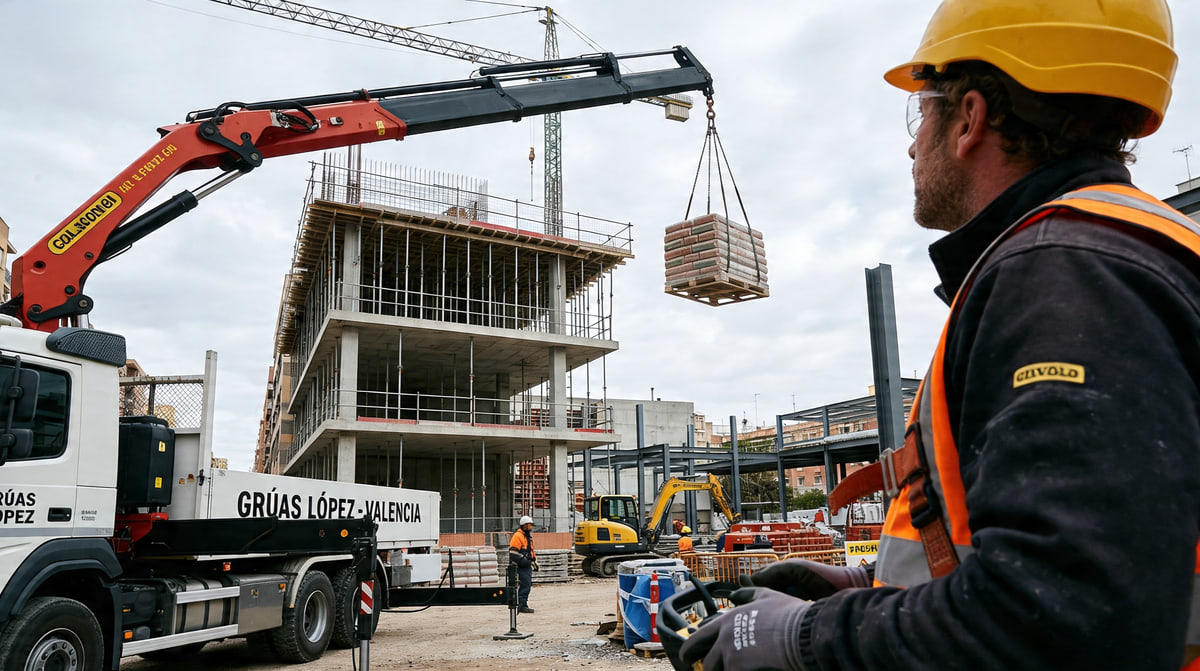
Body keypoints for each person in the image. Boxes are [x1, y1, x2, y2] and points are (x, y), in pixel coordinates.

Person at [663, 2, 1200, 670]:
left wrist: (806, 639)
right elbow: (1053, 556)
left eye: (921, 111)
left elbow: (1064, 616)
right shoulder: (1116, 253)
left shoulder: (1068, 274)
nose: (912, 143)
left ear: (970, 119)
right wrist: (863, 588)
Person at [508, 515, 537, 614]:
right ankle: (521, 605)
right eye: (530, 525)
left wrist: (533, 561)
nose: (531, 527)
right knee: (525, 585)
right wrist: (525, 561)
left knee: (527, 585)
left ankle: (523, 604)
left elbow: (529, 551)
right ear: (525, 525)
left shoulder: (526, 536)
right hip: (522, 565)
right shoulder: (518, 536)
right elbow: (513, 553)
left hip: (526, 565)